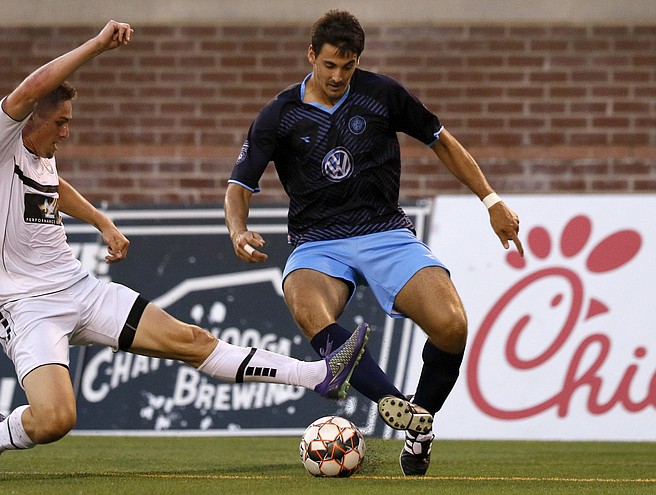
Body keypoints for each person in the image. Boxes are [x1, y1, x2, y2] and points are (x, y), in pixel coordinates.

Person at [0, 19, 369, 475]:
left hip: (79, 290)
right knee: (56, 419)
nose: (66, 132)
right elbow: (35, 84)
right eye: (60, 122)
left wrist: (100, 220)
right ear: (31, 114)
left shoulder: (40, 156)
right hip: (24, 305)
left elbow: (53, 186)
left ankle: (318, 376)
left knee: (192, 340)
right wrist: (96, 46)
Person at [224, 10, 524, 476]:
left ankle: (419, 426)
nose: (338, 76)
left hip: (386, 232)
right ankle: (391, 400)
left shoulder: (382, 94)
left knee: (452, 326)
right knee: (307, 308)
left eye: (348, 66)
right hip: (317, 243)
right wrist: (238, 229)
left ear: (358, 61)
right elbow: (239, 185)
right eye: (329, 66)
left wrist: (491, 201)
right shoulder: (279, 114)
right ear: (311, 56)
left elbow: (442, 141)